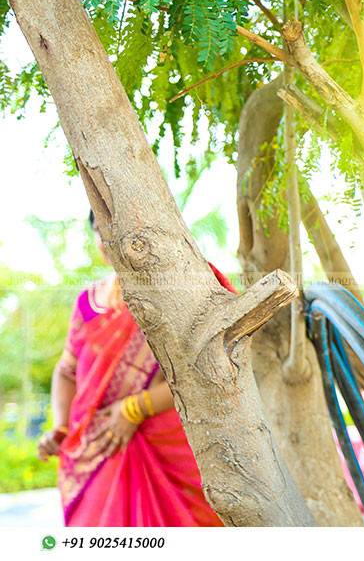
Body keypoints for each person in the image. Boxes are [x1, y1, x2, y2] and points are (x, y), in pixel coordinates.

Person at [36, 211, 227, 526]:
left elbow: (209, 370)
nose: (107, 240)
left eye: (116, 228)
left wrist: (137, 407)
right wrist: (61, 427)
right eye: (99, 231)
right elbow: (67, 371)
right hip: (100, 448)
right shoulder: (88, 302)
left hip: (173, 450)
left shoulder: (186, 285)